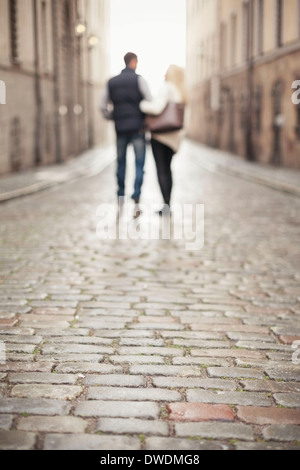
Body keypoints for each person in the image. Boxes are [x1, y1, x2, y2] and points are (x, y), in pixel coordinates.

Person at [100, 52, 152, 213]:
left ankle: (121, 195)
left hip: (120, 128)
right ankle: (136, 195)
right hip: (138, 127)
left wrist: (112, 116)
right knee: (139, 164)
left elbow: (102, 105)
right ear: (134, 62)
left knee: (121, 163)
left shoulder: (112, 82)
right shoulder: (139, 80)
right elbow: (149, 101)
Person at [140, 65, 187, 215]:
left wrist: (142, 104)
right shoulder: (182, 91)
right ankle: (168, 204)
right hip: (174, 137)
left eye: (167, 71)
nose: (164, 74)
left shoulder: (167, 88)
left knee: (161, 169)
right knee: (168, 169)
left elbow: (157, 108)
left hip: (161, 136)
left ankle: (166, 206)